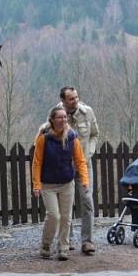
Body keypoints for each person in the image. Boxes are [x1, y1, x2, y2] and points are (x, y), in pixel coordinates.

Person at [32, 106, 89, 261]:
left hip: (66, 183)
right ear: (52, 119)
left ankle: (63, 248)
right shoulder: (44, 138)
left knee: (66, 217)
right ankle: (45, 245)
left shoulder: (72, 136)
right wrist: (36, 184)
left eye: (65, 117)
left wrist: (84, 179)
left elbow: (80, 160)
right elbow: (37, 163)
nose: (63, 120)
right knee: (53, 216)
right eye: (60, 117)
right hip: (48, 184)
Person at [57, 86, 99, 255]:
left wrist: (89, 152)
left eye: (76, 97)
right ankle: (67, 239)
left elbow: (95, 134)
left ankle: (87, 241)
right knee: (65, 202)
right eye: (71, 98)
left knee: (87, 200)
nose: (75, 101)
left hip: (84, 164)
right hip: (64, 165)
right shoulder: (56, 114)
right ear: (63, 101)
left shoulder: (87, 112)